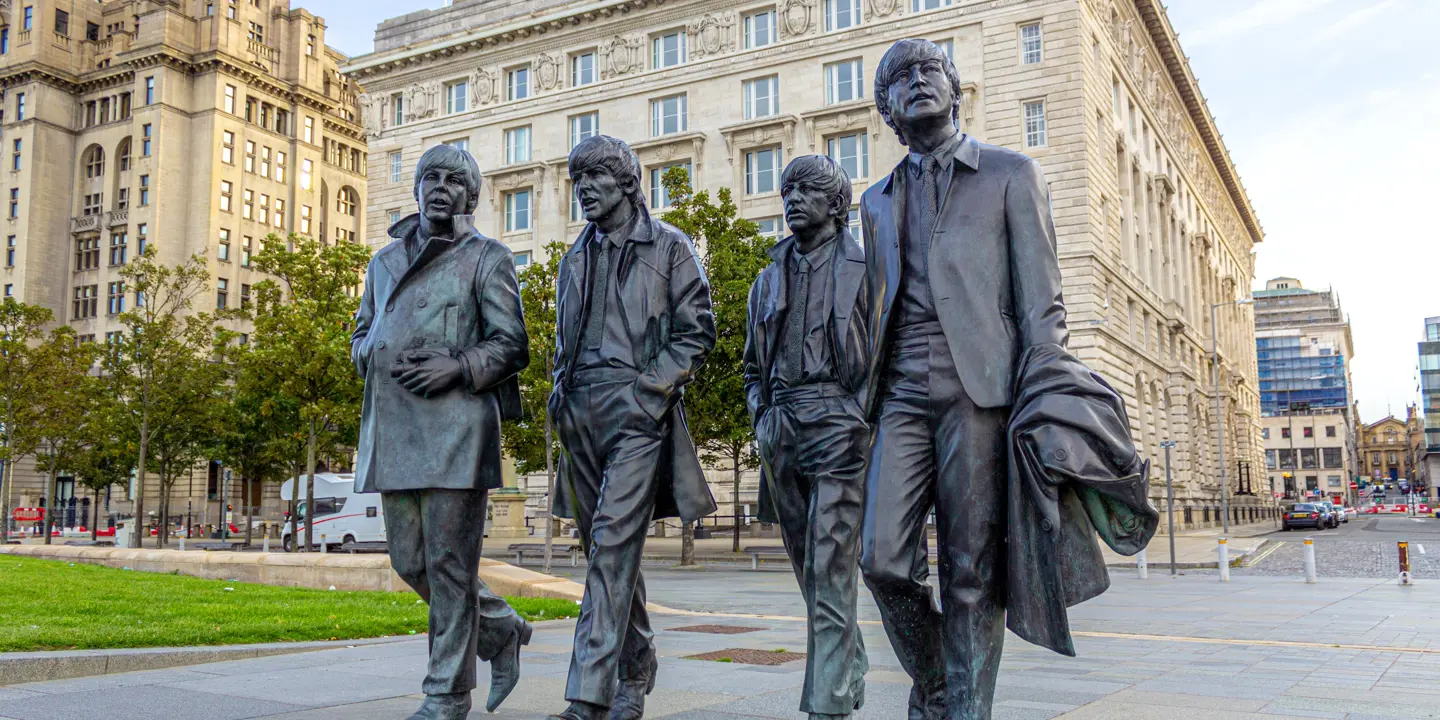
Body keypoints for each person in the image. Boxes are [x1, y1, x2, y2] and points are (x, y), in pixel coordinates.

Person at [856, 38, 1070, 719]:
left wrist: (1046, 392)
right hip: (899, 394)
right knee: (882, 560)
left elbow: (1042, 303)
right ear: (886, 108)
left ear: (955, 90)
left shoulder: (1012, 174)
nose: (917, 83)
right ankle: (943, 686)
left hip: (982, 390)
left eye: (929, 72)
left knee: (970, 568)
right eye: (900, 79)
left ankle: (966, 709)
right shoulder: (877, 200)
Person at [350, 143, 533, 720]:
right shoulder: (382, 263)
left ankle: (446, 695)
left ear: (471, 197)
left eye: (455, 181)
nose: (439, 187)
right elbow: (360, 333)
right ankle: (500, 629)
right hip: (396, 426)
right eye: (431, 177)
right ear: (417, 187)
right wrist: (369, 356)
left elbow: (511, 345)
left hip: (457, 427)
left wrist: (457, 365)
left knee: (451, 567)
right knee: (410, 563)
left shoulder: (488, 257)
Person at [547, 134, 717, 720]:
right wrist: (558, 396)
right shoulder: (573, 258)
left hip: (638, 411)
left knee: (612, 547)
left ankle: (587, 696)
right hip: (580, 414)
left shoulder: (670, 248)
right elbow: (562, 340)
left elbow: (697, 332)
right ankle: (636, 664)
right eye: (577, 180)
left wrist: (651, 392)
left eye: (594, 177)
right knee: (606, 552)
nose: (584, 189)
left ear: (626, 182)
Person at [743, 154, 870, 720]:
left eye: (808, 190)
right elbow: (751, 366)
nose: (792, 198)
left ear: (838, 204)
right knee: (809, 568)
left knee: (830, 561)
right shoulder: (767, 277)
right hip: (782, 427)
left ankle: (829, 703)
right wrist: (760, 415)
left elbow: (887, 355)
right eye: (787, 190)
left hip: (840, 424)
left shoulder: (868, 269)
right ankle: (847, 664)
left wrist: (859, 414)